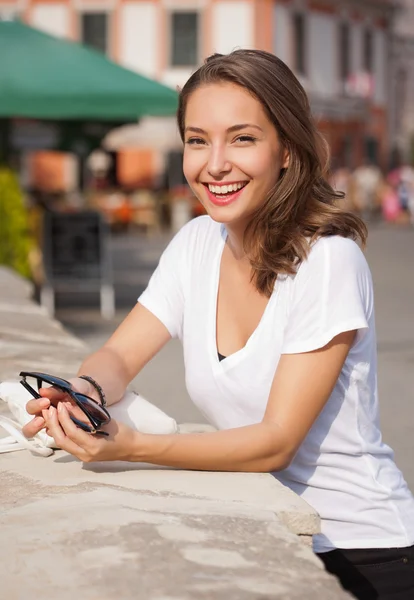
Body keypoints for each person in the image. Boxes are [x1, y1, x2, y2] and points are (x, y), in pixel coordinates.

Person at [22, 50, 414, 599]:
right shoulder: (195, 245)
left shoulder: (328, 261)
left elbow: (275, 443)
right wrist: (84, 393)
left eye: (243, 138)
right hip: (267, 527)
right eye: (198, 139)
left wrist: (128, 445)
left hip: (363, 551)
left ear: (287, 149)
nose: (215, 164)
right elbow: (120, 356)